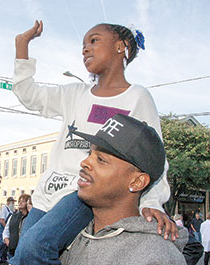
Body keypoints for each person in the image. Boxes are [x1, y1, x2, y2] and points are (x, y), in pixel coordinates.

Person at [11, 20, 177, 264]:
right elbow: (29, 95)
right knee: (21, 256)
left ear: (120, 47)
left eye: (94, 40)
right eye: (83, 45)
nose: (85, 49)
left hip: (84, 192)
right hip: (48, 192)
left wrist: (152, 202)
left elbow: (154, 155)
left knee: (33, 249)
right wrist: (21, 46)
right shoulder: (74, 93)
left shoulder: (137, 96)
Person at [59, 114, 188, 265]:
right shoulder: (68, 234)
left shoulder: (156, 256)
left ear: (137, 182)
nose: (84, 163)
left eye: (101, 160)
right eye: (89, 154)